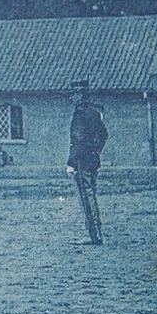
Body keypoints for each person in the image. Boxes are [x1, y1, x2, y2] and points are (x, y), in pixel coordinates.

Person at [67, 79, 108, 245]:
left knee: (86, 197)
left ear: (80, 96)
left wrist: (71, 162)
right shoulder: (94, 113)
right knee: (91, 195)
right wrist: (95, 151)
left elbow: (78, 140)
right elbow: (103, 135)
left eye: (74, 94)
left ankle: (95, 235)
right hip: (92, 160)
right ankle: (95, 233)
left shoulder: (80, 114)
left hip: (82, 162)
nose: (71, 98)